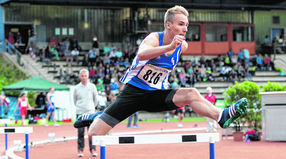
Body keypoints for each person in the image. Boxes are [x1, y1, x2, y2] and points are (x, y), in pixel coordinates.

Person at [74, 5, 248, 140]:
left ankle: (222, 116)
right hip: (133, 92)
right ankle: (98, 116)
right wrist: (169, 46)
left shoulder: (183, 46)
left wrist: (174, 48)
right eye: (181, 24)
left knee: (191, 93)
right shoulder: (154, 38)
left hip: (156, 94)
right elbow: (141, 54)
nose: (186, 29)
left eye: (187, 25)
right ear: (168, 25)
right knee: (95, 134)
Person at [73, 69, 99, 157]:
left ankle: (93, 149)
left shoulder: (92, 86)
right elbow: (74, 100)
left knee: (91, 132)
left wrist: (92, 107)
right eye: (82, 76)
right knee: (80, 132)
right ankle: (80, 150)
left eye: (85, 76)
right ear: (79, 76)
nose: (84, 77)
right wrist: (80, 107)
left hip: (90, 112)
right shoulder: (76, 88)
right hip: (80, 112)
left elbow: (96, 99)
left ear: (88, 76)